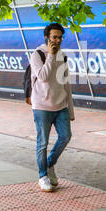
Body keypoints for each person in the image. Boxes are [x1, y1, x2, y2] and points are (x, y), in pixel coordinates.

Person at [28, 23, 74, 192]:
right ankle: (43, 176)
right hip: (42, 106)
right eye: (54, 37)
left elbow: (66, 84)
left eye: (60, 37)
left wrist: (70, 110)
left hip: (60, 105)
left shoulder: (63, 56)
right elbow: (44, 77)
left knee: (66, 136)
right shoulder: (37, 54)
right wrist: (51, 56)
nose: (57, 40)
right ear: (47, 38)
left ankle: (49, 165)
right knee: (42, 143)